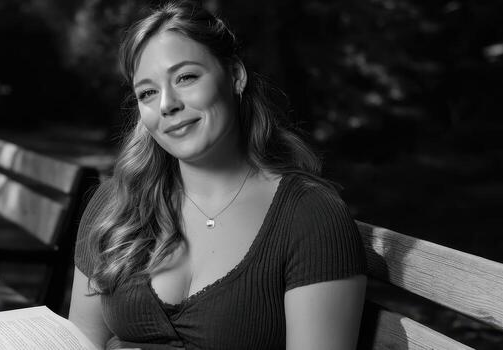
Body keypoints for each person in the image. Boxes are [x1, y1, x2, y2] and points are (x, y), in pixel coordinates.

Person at [68, 1, 367, 349]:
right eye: (147, 93)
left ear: (235, 76)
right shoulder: (116, 204)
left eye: (186, 77)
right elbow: (81, 339)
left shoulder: (310, 216)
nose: (167, 104)